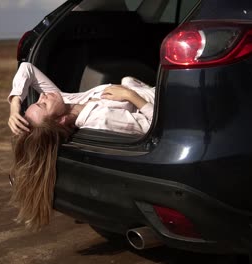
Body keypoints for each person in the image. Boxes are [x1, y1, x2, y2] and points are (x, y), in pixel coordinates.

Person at [8, 62, 155, 230]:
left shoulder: (67, 101)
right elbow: (155, 126)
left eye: (38, 100)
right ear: (61, 120)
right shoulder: (100, 118)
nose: (42, 96)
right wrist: (130, 95)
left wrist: (15, 105)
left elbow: (27, 68)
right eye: (43, 104)